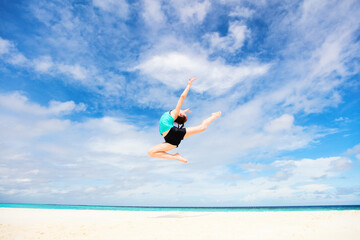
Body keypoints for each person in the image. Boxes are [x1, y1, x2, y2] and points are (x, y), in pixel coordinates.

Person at [147, 76, 221, 163]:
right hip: (170, 140)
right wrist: (184, 111)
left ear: (180, 114)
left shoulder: (174, 113)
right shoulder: (175, 114)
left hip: (173, 133)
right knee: (150, 153)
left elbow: (182, 97)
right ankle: (175, 157)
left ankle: (214, 116)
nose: (183, 111)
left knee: (202, 127)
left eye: (184, 113)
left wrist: (189, 85)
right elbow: (181, 114)